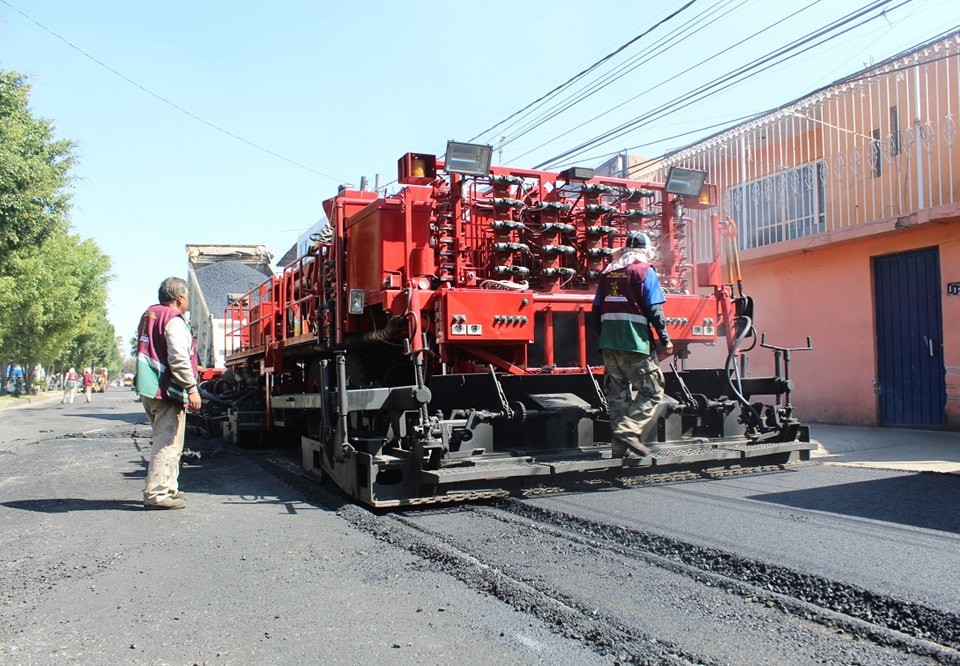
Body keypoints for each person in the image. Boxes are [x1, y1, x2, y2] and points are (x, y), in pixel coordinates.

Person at [592, 231, 674, 458]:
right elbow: (655, 309)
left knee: (618, 397)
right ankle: (628, 431)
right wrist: (664, 338)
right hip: (635, 343)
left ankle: (619, 450)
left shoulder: (608, 274)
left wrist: (605, 338)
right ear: (645, 251)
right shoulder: (644, 272)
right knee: (652, 391)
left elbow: (595, 311)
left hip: (609, 346)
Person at [135, 277, 201, 510]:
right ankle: (157, 495)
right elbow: (177, 357)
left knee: (170, 441)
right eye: (187, 298)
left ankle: (169, 488)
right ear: (180, 298)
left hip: (149, 387)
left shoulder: (150, 315)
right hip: (166, 390)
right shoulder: (173, 320)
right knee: (167, 443)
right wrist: (192, 388)